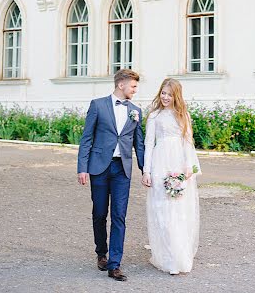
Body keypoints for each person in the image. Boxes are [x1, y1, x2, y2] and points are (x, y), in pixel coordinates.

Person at [77, 68, 144, 282]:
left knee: (119, 216)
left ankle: (115, 264)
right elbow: (86, 138)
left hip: (122, 170)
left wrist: (146, 170)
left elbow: (139, 144)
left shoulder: (136, 110)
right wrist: (82, 167)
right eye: (133, 86)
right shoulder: (97, 105)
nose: (135, 90)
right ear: (121, 84)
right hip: (98, 168)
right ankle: (101, 253)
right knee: (99, 213)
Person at [142, 78, 200, 275]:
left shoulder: (184, 115)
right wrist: (146, 171)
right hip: (160, 163)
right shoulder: (155, 116)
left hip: (179, 164)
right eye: (163, 93)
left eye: (169, 94)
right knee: (162, 210)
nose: (165, 97)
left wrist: (190, 166)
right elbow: (149, 143)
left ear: (176, 96)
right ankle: (167, 257)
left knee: (179, 210)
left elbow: (188, 142)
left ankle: (179, 256)